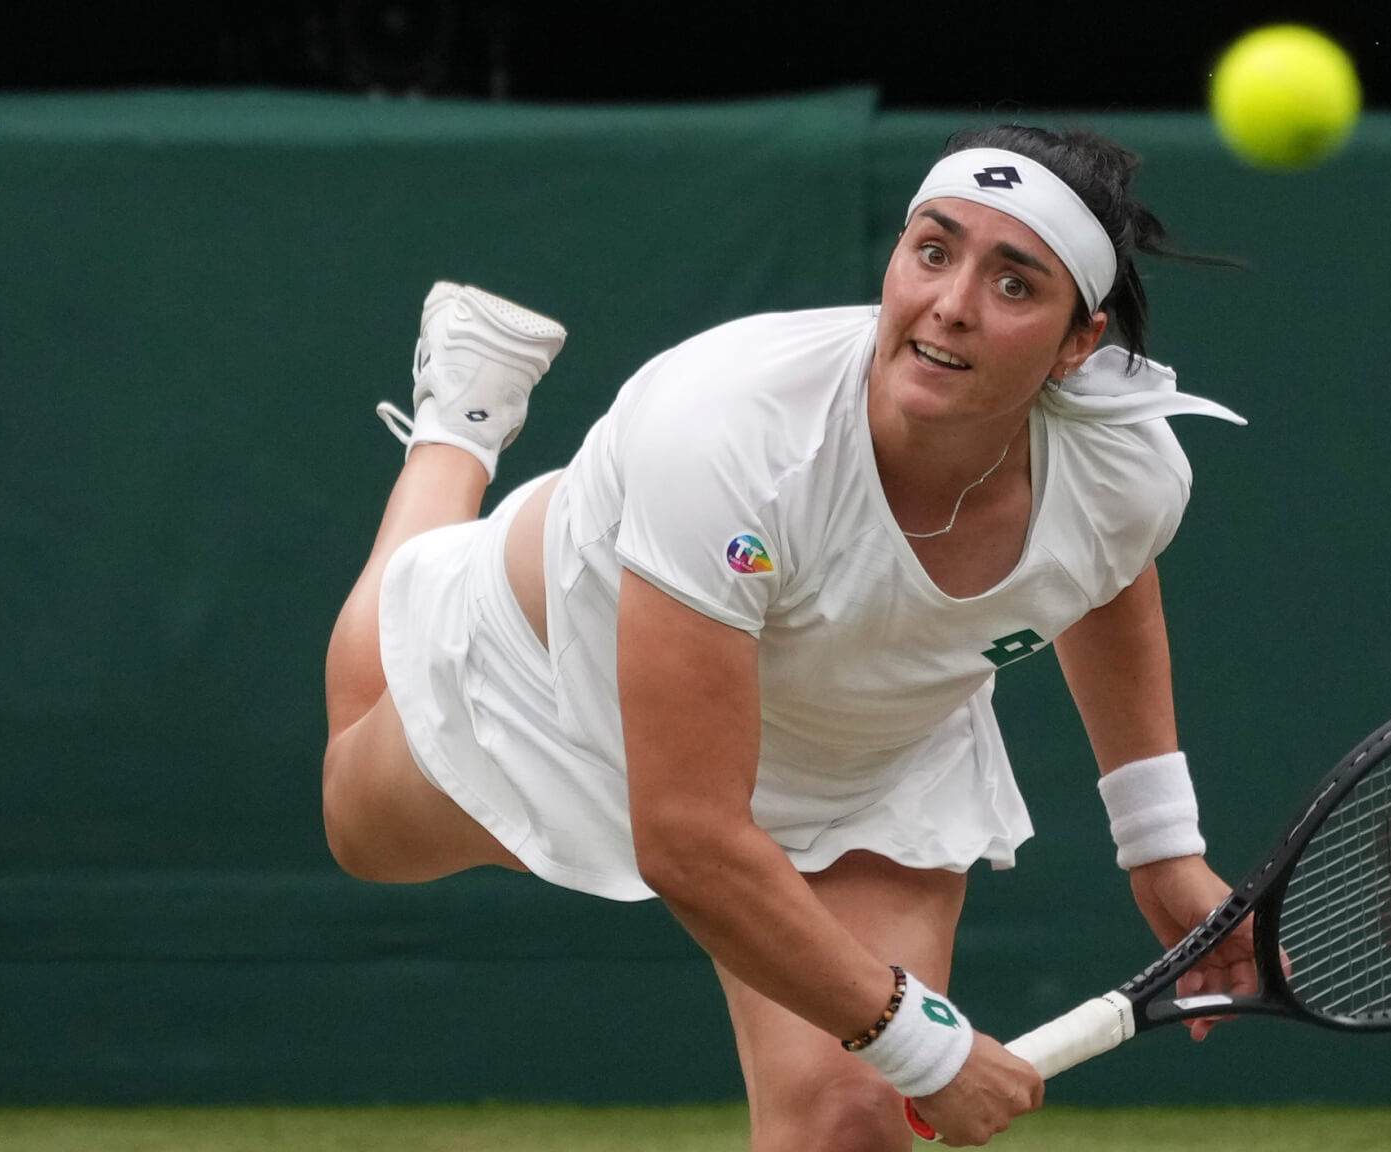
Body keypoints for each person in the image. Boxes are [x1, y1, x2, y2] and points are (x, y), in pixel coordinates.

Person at [321, 124, 1254, 1150]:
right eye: (931, 251)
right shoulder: (726, 431)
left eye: (1013, 284)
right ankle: (456, 431)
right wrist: (930, 1049)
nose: (949, 304)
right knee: (359, 825)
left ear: (1079, 343)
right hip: (556, 684)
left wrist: (1160, 846)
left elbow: (1101, 571)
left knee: (851, 1126)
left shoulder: (1131, 467)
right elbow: (689, 838)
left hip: (866, 757)